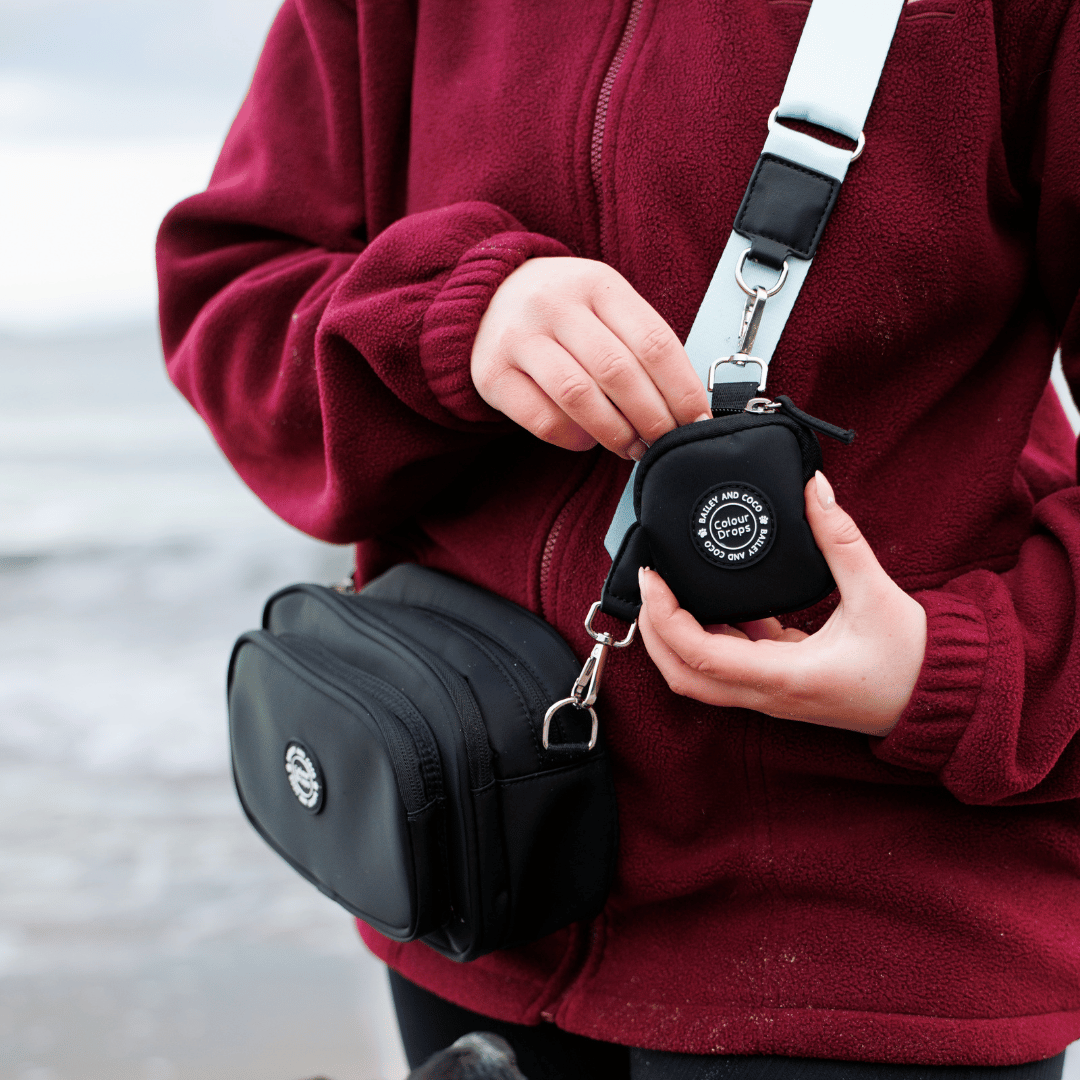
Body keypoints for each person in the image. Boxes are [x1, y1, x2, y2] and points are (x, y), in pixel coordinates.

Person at [156, 0, 1080, 1076]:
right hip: (470, 872)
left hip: (874, 940)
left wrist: (965, 667)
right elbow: (229, 295)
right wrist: (461, 312)